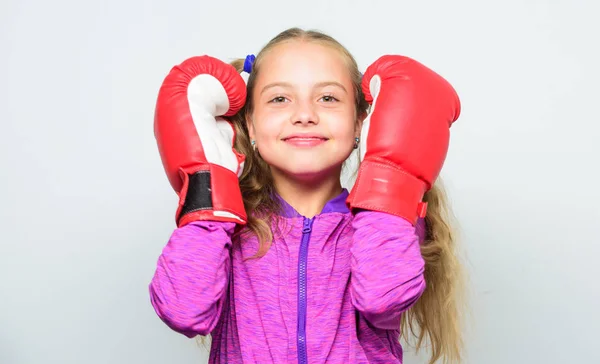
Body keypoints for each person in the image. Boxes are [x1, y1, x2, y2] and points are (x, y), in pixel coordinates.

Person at [150, 27, 465, 363]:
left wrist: (388, 187)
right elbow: (183, 310)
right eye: (279, 99)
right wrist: (209, 191)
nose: (304, 115)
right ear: (251, 125)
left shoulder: (384, 226)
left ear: (361, 123)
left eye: (327, 98)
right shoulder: (227, 228)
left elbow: (382, 296)